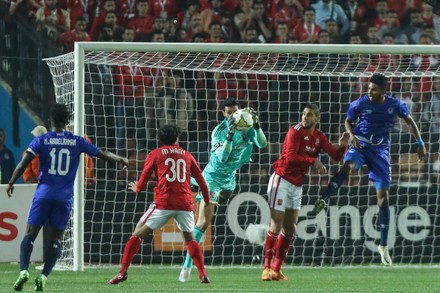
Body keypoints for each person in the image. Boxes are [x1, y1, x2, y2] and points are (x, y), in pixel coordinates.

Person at [6, 103, 128, 292]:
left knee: (30, 234)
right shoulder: (77, 141)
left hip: (43, 193)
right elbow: (101, 154)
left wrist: (12, 181)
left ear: (50, 121)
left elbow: (23, 164)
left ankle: (23, 271)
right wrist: (118, 160)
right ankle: (44, 276)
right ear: (67, 121)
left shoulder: (42, 140)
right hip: (64, 197)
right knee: (57, 239)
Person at [311, 73, 427, 266]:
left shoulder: (395, 105)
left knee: (383, 199)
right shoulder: (360, 104)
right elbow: (348, 121)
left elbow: (410, 121)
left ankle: (383, 245)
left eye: (374, 89)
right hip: (360, 145)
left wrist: (420, 142)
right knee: (347, 166)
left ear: (383, 91)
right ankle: (324, 198)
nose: (369, 92)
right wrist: (350, 136)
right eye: (369, 88)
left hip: (380, 151)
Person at [107, 124, 214, 285]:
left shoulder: (155, 154)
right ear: (177, 138)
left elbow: (143, 179)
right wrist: (206, 198)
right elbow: (202, 183)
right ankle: (203, 274)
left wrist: (138, 188)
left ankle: (123, 272)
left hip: (164, 203)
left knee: (137, 234)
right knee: (190, 239)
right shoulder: (187, 155)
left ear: (160, 139)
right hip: (185, 203)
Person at [179, 98, 268, 282]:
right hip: (213, 178)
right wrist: (230, 133)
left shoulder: (248, 127)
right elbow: (224, 157)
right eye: (229, 113)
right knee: (204, 223)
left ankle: (199, 190)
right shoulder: (218, 132)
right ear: (223, 114)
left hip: (230, 179)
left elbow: (262, 144)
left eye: (236, 111)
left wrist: (257, 126)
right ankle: (187, 267)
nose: (234, 116)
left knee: (224, 196)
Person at [261, 104, 349, 281]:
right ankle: (266, 268)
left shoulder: (319, 137)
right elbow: (291, 158)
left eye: (309, 115)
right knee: (276, 224)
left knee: (290, 229)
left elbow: (336, 156)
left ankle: (276, 270)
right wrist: (313, 161)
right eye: (303, 114)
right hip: (282, 179)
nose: (305, 118)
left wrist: (342, 146)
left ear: (317, 118)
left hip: (297, 185)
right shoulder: (295, 131)